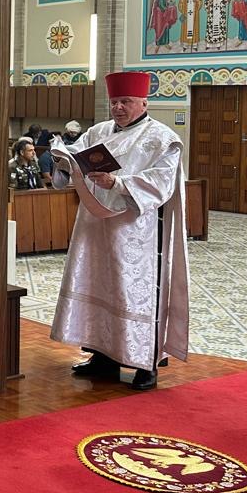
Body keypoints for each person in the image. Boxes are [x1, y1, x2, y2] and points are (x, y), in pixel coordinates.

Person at [47, 71, 189, 391]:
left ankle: (145, 364)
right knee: (98, 283)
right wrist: (63, 156)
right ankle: (103, 357)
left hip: (135, 232)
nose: (118, 108)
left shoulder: (162, 138)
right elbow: (74, 158)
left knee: (132, 293)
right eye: (114, 102)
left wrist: (118, 183)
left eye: (125, 101)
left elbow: (162, 183)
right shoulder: (98, 131)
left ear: (143, 102)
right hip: (95, 228)